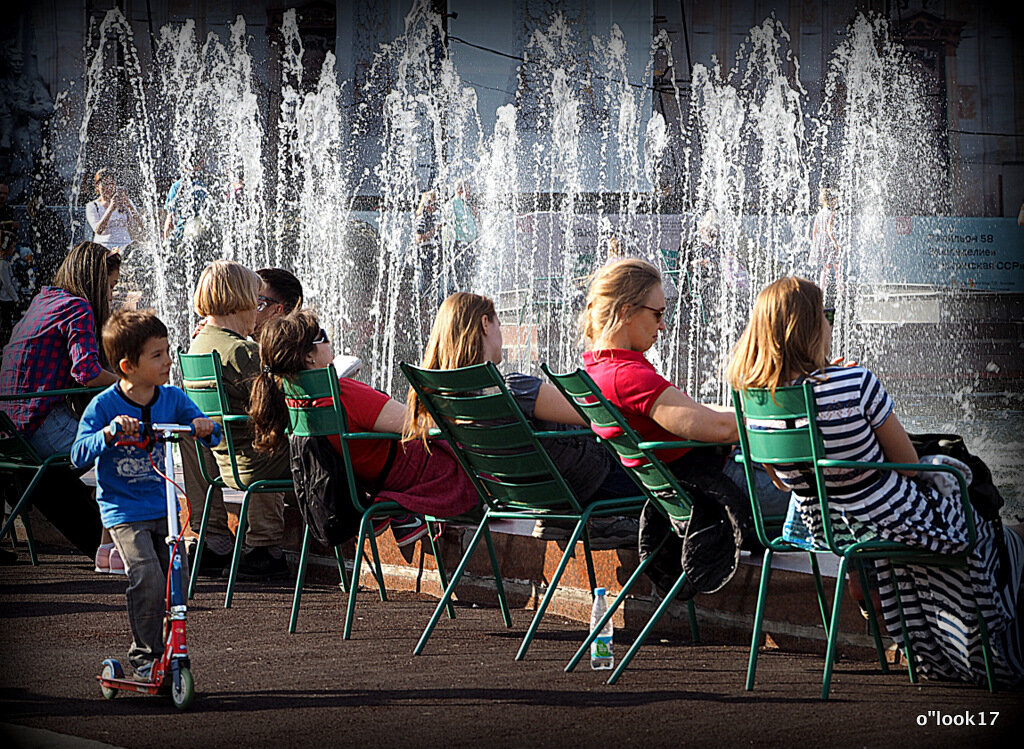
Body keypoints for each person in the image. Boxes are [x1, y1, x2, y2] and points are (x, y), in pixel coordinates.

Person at [725, 276, 1024, 686]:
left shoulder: (751, 397)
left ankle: (909, 627)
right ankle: (991, 648)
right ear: (810, 327)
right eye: (826, 315)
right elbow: (905, 464)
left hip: (832, 529)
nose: (832, 324)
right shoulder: (856, 383)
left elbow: (780, 482)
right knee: (986, 521)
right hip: (897, 519)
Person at [580, 258, 790, 594]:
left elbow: (697, 414)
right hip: (718, 497)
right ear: (625, 312)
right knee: (832, 493)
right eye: (658, 314)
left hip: (684, 498)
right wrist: (792, 414)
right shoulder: (627, 376)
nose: (663, 327)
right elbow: (718, 429)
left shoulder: (600, 369)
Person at [405, 291, 639, 548]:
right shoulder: (516, 390)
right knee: (676, 488)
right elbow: (599, 416)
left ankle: (571, 519)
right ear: (485, 324)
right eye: (498, 324)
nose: (501, 334)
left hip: (534, 498)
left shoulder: (445, 403)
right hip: (593, 483)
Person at [71, 309, 216, 680]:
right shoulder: (105, 406)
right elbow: (77, 454)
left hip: (164, 506)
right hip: (124, 510)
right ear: (127, 365)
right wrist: (108, 433)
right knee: (147, 576)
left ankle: (171, 649)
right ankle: (144, 657)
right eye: (158, 355)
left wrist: (203, 426)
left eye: (168, 351)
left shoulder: (171, 399)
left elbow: (210, 431)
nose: (169, 361)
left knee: (177, 579)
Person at [249, 309, 478, 544]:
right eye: (324, 336)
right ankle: (400, 509)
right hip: (411, 473)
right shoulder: (341, 392)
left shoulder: (291, 399)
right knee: (473, 460)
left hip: (366, 483)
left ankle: (400, 514)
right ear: (309, 355)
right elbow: (419, 425)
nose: (330, 342)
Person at [0, 242, 120, 563]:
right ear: (95, 280)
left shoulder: (45, 300)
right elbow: (87, 372)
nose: (110, 297)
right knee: (123, 441)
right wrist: (131, 382)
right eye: (109, 287)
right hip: (37, 425)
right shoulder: (78, 307)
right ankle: (116, 544)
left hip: (11, 428)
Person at [178, 266, 304, 572]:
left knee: (188, 430)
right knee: (308, 439)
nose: (257, 311)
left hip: (224, 460)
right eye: (255, 301)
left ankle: (213, 538)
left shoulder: (199, 345)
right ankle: (265, 545)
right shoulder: (241, 351)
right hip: (254, 464)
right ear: (240, 301)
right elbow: (281, 409)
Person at [85, 168, 142, 253]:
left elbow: (139, 224)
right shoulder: (92, 206)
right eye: (105, 184)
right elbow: (98, 230)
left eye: (111, 184)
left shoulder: (124, 202)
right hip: (104, 247)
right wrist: (111, 208)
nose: (109, 188)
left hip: (124, 246)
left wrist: (129, 205)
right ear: (97, 186)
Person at [809, 187, 840, 301]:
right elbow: (829, 230)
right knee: (837, 264)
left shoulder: (819, 214)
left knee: (825, 268)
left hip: (821, 242)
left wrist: (815, 243)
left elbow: (815, 231)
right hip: (828, 241)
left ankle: (822, 290)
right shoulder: (831, 213)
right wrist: (835, 243)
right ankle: (841, 287)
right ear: (830, 200)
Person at [0, 229, 18, 345]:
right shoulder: (2, 265)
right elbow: (7, 284)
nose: (14, 250)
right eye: (12, 247)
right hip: (6, 299)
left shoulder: (6, 263)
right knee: (6, 324)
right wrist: (16, 298)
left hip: (8, 298)